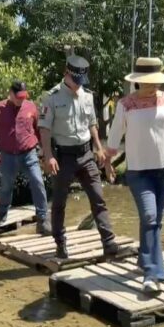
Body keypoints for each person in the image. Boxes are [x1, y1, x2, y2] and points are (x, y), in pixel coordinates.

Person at [105, 57, 164, 293]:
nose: (154, 86)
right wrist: (108, 161)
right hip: (138, 172)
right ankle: (152, 273)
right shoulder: (126, 105)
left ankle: (145, 260)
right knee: (150, 216)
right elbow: (114, 135)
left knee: (155, 220)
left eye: (156, 81)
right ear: (138, 82)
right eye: (149, 82)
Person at [38, 55, 119, 259]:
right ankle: (60, 244)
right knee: (59, 203)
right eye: (76, 81)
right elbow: (45, 129)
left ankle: (109, 243)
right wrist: (48, 156)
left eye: (81, 82)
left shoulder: (87, 96)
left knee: (98, 198)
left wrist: (99, 148)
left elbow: (92, 124)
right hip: (63, 156)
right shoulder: (52, 97)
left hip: (86, 154)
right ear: (66, 73)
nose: (78, 86)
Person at [0, 81, 51, 236]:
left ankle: (42, 220)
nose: (21, 100)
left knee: (37, 181)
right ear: (11, 94)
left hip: (29, 153)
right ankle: (1, 216)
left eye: (23, 97)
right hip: (7, 156)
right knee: (6, 187)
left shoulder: (31, 107)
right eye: (18, 97)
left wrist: (46, 152)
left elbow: (38, 130)